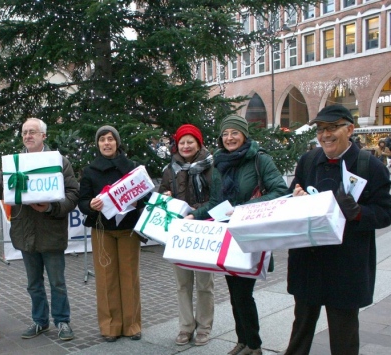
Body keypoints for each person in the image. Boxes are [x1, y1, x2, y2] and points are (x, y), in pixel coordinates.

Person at [285, 105, 391, 355]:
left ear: (350, 129)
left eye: (332, 128)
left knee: (344, 336)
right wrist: (295, 198)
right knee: (300, 329)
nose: (325, 135)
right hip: (308, 262)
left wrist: (358, 212)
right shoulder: (308, 160)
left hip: (346, 266)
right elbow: (289, 195)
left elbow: (386, 212)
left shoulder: (370, 166)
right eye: (321, 129)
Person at [186, 115, 288, 355]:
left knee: (243, 294)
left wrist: (244, 209)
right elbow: (215, 202)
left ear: (244, 135)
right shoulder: (220, 163)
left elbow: (280, 191)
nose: (230, 138)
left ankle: (254, 345)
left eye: (234, 133)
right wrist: (194, 216)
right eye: (225, 134)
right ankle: (243, 342)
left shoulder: (260, 159)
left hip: (251, 235)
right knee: (235, 294)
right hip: (228, 237)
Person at [0, 118, 79, 341]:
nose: (27, 136)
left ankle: (62, 321)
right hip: (25, 231)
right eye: (24, 132)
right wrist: (6, 173)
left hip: (51, 231)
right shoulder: (15, 162)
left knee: (57, 283)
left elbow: (72, 195)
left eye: (32, 132)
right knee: (33, 284)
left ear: (43, 136)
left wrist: (50, 207)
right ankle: (40, 321)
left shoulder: (60, 161)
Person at [78, 125, 147, 342]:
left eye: (110, 139)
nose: (106, 143)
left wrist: (138, 201)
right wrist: (90, 204)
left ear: (117, 142)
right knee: (106, 279)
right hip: (102, 230)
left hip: (128, 229)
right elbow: (82, 201)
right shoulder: (89, 171)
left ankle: (132, 324)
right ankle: (110, 326)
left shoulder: (133, 167)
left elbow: (145, 197)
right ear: (97, 144)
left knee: (129, 277)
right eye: (102, 140)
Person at [158, 124, 215, 346]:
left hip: (203, 231)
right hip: (179, 232)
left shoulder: (212, 166)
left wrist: (196, 212)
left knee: (204, 284)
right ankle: (185, 327)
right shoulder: (170, 170)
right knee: (182, 284)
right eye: (182, 142)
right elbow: (162, 195)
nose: (186, 146)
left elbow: (217, 198)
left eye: (190, 141)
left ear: (198, 143)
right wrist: (166, 195)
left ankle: (204, 327)